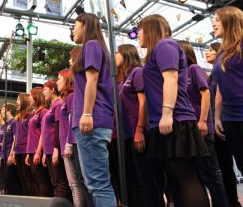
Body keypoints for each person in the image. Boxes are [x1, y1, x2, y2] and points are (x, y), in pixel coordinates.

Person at [139, 14, 209, 207]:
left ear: (150, 29)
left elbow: (171, 78)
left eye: (140, 30)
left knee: (185, 177)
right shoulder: (159, 49)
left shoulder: (164, 45)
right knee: (176, 180)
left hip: (175, 118)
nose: (138, 35)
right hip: (166, 119)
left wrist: (167, 113)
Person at [212, 6, 243, 207]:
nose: (213, 24)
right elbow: (220, 87)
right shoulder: (223, 51)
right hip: (231, 119)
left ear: (229, 20)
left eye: (216, 19)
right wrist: (217, 117)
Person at [71, 13, 116, 207]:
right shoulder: (95, 47)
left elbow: (92, 80)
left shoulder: (91, 46)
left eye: (75, 25)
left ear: (85, 26)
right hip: (94, 119)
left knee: (98, 184)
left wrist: (87, 113)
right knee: (95, 183)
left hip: (93, 119)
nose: (73, 30)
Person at [179, 41, 229, 207]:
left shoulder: (194, 69)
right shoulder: (178, 74)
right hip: (188, 130)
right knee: (197, 174)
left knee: (210, 173)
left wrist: (202, 121)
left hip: (201, 128)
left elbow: (206, 94)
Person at [115, 44, 162, 207]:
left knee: (145, 178)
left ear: (126, 54)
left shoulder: (137, 73)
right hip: (125, 135)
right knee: (133, 178)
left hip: (139, 132)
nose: (114, 57)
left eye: (116, 53)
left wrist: (140, 130)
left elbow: (144, 102)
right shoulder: (121, 80)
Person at [206, 42, 242, 207]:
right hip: (216, 121)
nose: (207, 52)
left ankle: (233, 200)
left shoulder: (223, 70)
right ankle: (230, 200)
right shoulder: (210, 76)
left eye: (211, 50)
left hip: (227, 119)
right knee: (223, 165)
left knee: (233, 164)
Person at [57, 69, 92, 207]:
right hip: (69, 143)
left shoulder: (72, 97)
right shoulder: (68, 98)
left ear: (68, 80)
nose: (58, 82)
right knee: (76, 184)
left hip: (72, 143)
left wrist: (68, 144)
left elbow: (72, 120)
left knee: (77, 184)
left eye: (60, 79)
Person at [42, 79, 72, 201]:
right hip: (48, 149)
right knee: (54, 182)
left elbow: (59, 127)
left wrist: (56, 149)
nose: (43, 92)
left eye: (45, 89)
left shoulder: (58, 104)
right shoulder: (52, 106)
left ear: (52, 90)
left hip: (56, 149)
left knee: (60, 182)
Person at [25, 87, 53, 197]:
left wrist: (39, 152)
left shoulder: (44, 112)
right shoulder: (34, 113)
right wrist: (29, 153)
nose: (29, 99)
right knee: (35, 179)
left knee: (42, 181)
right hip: (31, 150)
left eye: (31, 96)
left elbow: (44, 132)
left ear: (37, 96)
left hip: (38, 150)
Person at [13, 93, 35, 196]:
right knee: (22, 179)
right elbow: (16, 137)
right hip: (18, 152)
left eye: (18, 99)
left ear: (25, 101)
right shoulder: (18, 118)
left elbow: (31, 135)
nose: (16, 102)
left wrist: (28, 153)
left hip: (26, 151)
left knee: (28, 179)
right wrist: (13, 152)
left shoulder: (31, 116)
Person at [0, 103, 22, 195]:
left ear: (8, 111)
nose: (1, 112)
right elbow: (4, 141)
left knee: (11, 179)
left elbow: (15, 139)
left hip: (10, 153)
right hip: (4, 154)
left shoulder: (14, 122)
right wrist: (1, 156)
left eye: (3, 109)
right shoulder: (5, 125)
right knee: (5, 181)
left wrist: (11, 154)